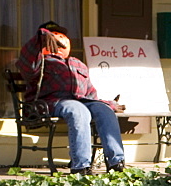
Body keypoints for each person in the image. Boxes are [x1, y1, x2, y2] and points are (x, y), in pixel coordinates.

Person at [17, 21, 126, 175]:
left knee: (104, 110)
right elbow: (26, 57)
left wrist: (109, 104)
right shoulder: (38, 62)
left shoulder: (78, 64)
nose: (58, 39)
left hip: (81, 101)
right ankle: (81, 166)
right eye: (54, 36)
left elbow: (90, 95)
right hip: (51, 102)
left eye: (62, 36)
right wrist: (41, 36)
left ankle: (117, 163)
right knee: (78, 110)